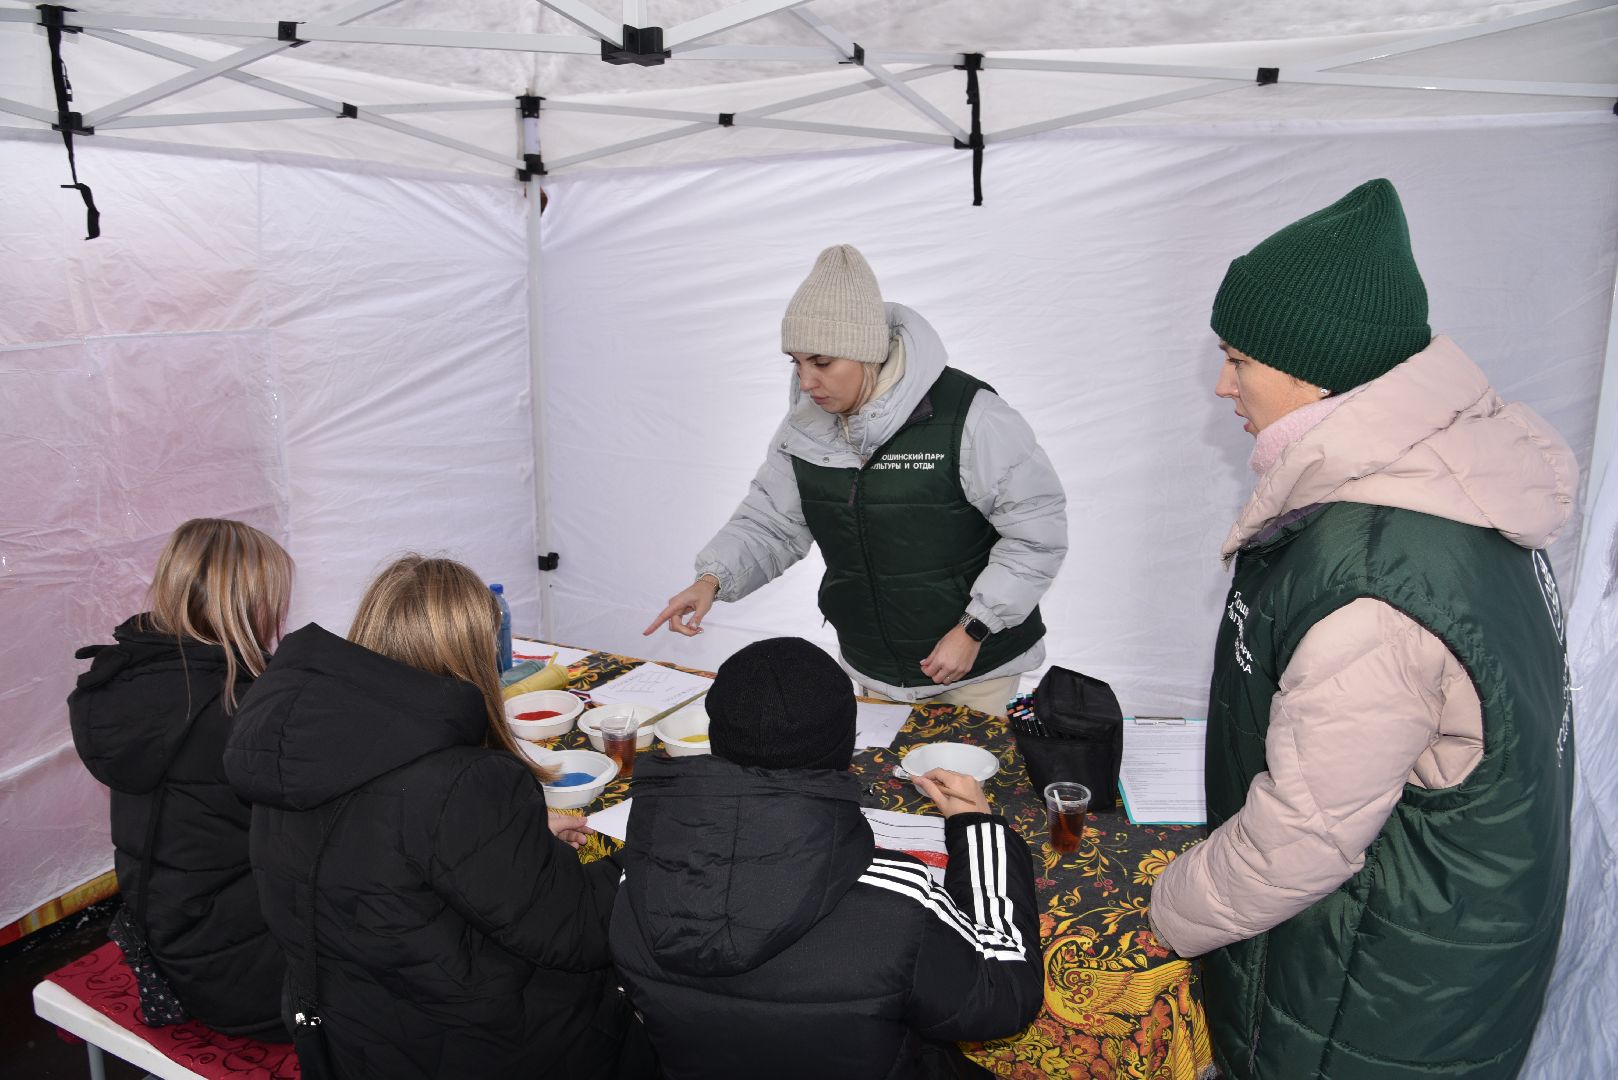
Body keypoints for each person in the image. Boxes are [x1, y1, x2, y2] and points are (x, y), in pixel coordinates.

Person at [1148, 178, 1576, 1079]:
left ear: (1313, 372)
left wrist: (1166, 910)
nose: (1223, 385)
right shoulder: (1452, 490)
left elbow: (1301, 841)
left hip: (1372, 997)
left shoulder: (1378, 574)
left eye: (1238, 360)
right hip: (1441, 952)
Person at [223, 556, 651, 1080]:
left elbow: (381, 855)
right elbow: (576, 932)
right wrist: (645, 854)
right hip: (475, 1046)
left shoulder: (291, 753)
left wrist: (512, 839)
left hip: (356, 1036)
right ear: (475, 652)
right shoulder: (463, 782)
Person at [646, 245, 1067, 717]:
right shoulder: (804, 429)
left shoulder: (972, 418)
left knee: (968, 770)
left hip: (976, 670)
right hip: (871, 669)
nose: (806, 381)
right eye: (795, 362)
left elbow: (1036, 535)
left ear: (868, 353)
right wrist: (712, 579)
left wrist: (974, 628)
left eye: (821, 362)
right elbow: (772, 523)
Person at [610, 636, 1042, 1080]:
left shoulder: (637, 879)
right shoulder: (900, 902)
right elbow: (1006, 993)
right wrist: (978, 827)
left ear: (715, 739)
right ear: (845, 747)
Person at [67, 518, 293, 1037]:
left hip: (171, 947)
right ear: (249, 603)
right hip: (250, 980)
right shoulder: (238, 706)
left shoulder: (131, 679)